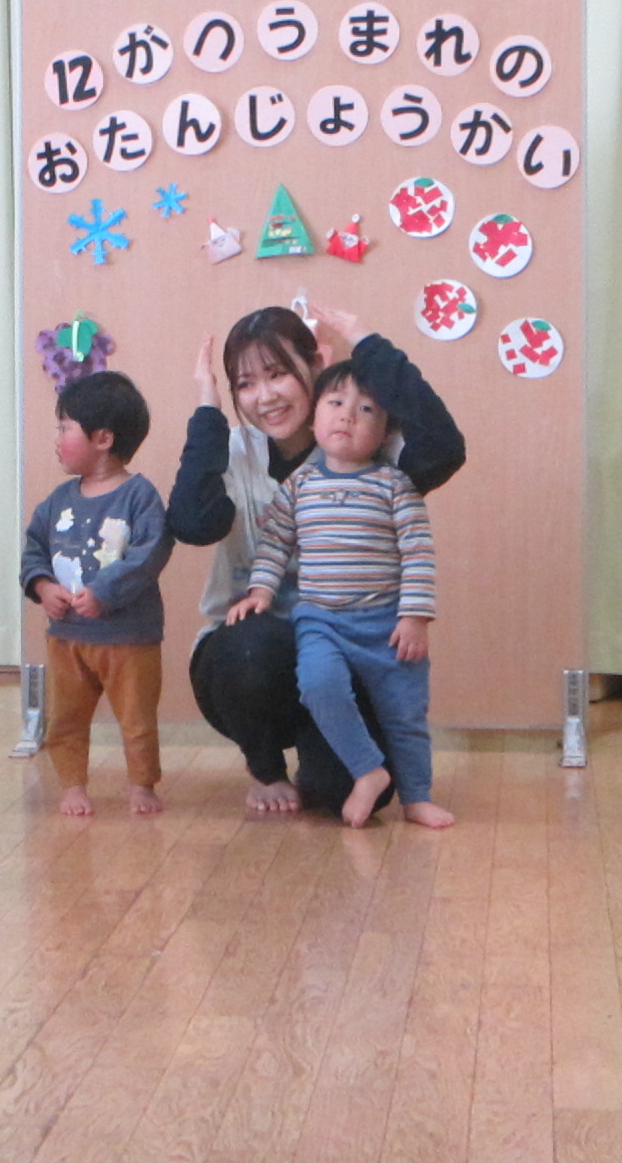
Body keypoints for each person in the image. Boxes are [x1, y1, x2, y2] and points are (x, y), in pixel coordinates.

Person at [167, 302, 464, 814]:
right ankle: (264, 767)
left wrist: (371, 349)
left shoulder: (368, 449)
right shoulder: (231, 450)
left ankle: (323, 756)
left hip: (347, 657)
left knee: (343, 792)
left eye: (278, 373)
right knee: (253, 645)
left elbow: (444, 448)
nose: (265, 396)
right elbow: (193, 522)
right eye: (245, 384)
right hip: (250, 661)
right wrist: (208, 407)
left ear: (316, 363)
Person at [228, 362, 454, 830]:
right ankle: (368, 771)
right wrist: (261, 590)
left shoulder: (395, 484)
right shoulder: (299, 485)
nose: (348, 415)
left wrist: (415, 617)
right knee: (318, 686)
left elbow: (417, 552)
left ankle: (417, 797)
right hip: (321, 622)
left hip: (386, 626)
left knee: (405, 715)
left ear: (386, 432)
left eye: (366, 409)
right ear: (314, 418)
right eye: (335, 403)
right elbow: (275, 543)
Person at [20, 370, 174, 817]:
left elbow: (149, 553)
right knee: (65, 717)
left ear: (103, 438)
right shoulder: (57, 500)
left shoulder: (140, 496)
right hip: (67, 636)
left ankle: (141, 784)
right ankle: (72, 785)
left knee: (137, 720)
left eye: (64, 428)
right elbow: (34, 549)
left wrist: (105, 592)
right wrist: (42, 585)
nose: (56, 438)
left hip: (129, 638)